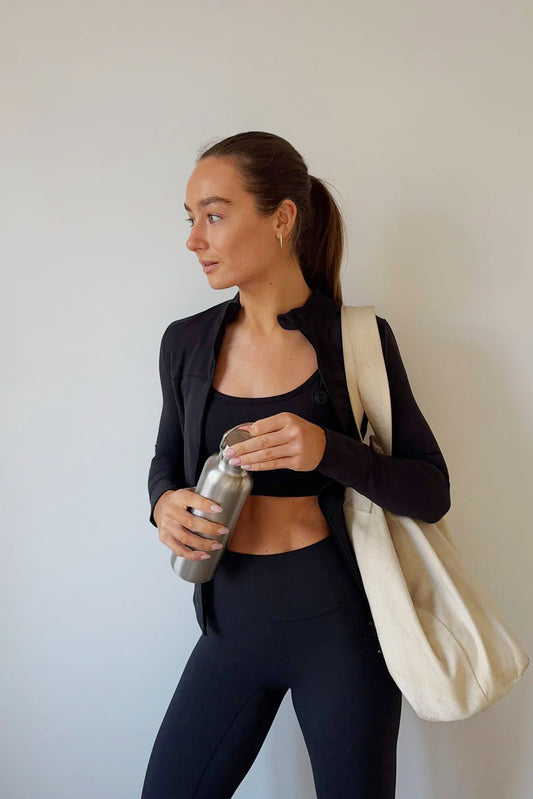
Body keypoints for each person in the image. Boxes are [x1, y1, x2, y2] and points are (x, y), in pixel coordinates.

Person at [141, 131, 451, 799]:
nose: (194, 239)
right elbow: (165, 461)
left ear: (280, 218)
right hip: (230, 621)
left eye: (214, 215)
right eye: (190, 218)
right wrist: (163, 503)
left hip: (339, 626)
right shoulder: (185, 343)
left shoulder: (357, 340)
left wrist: (329, 450)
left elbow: (430, 491)